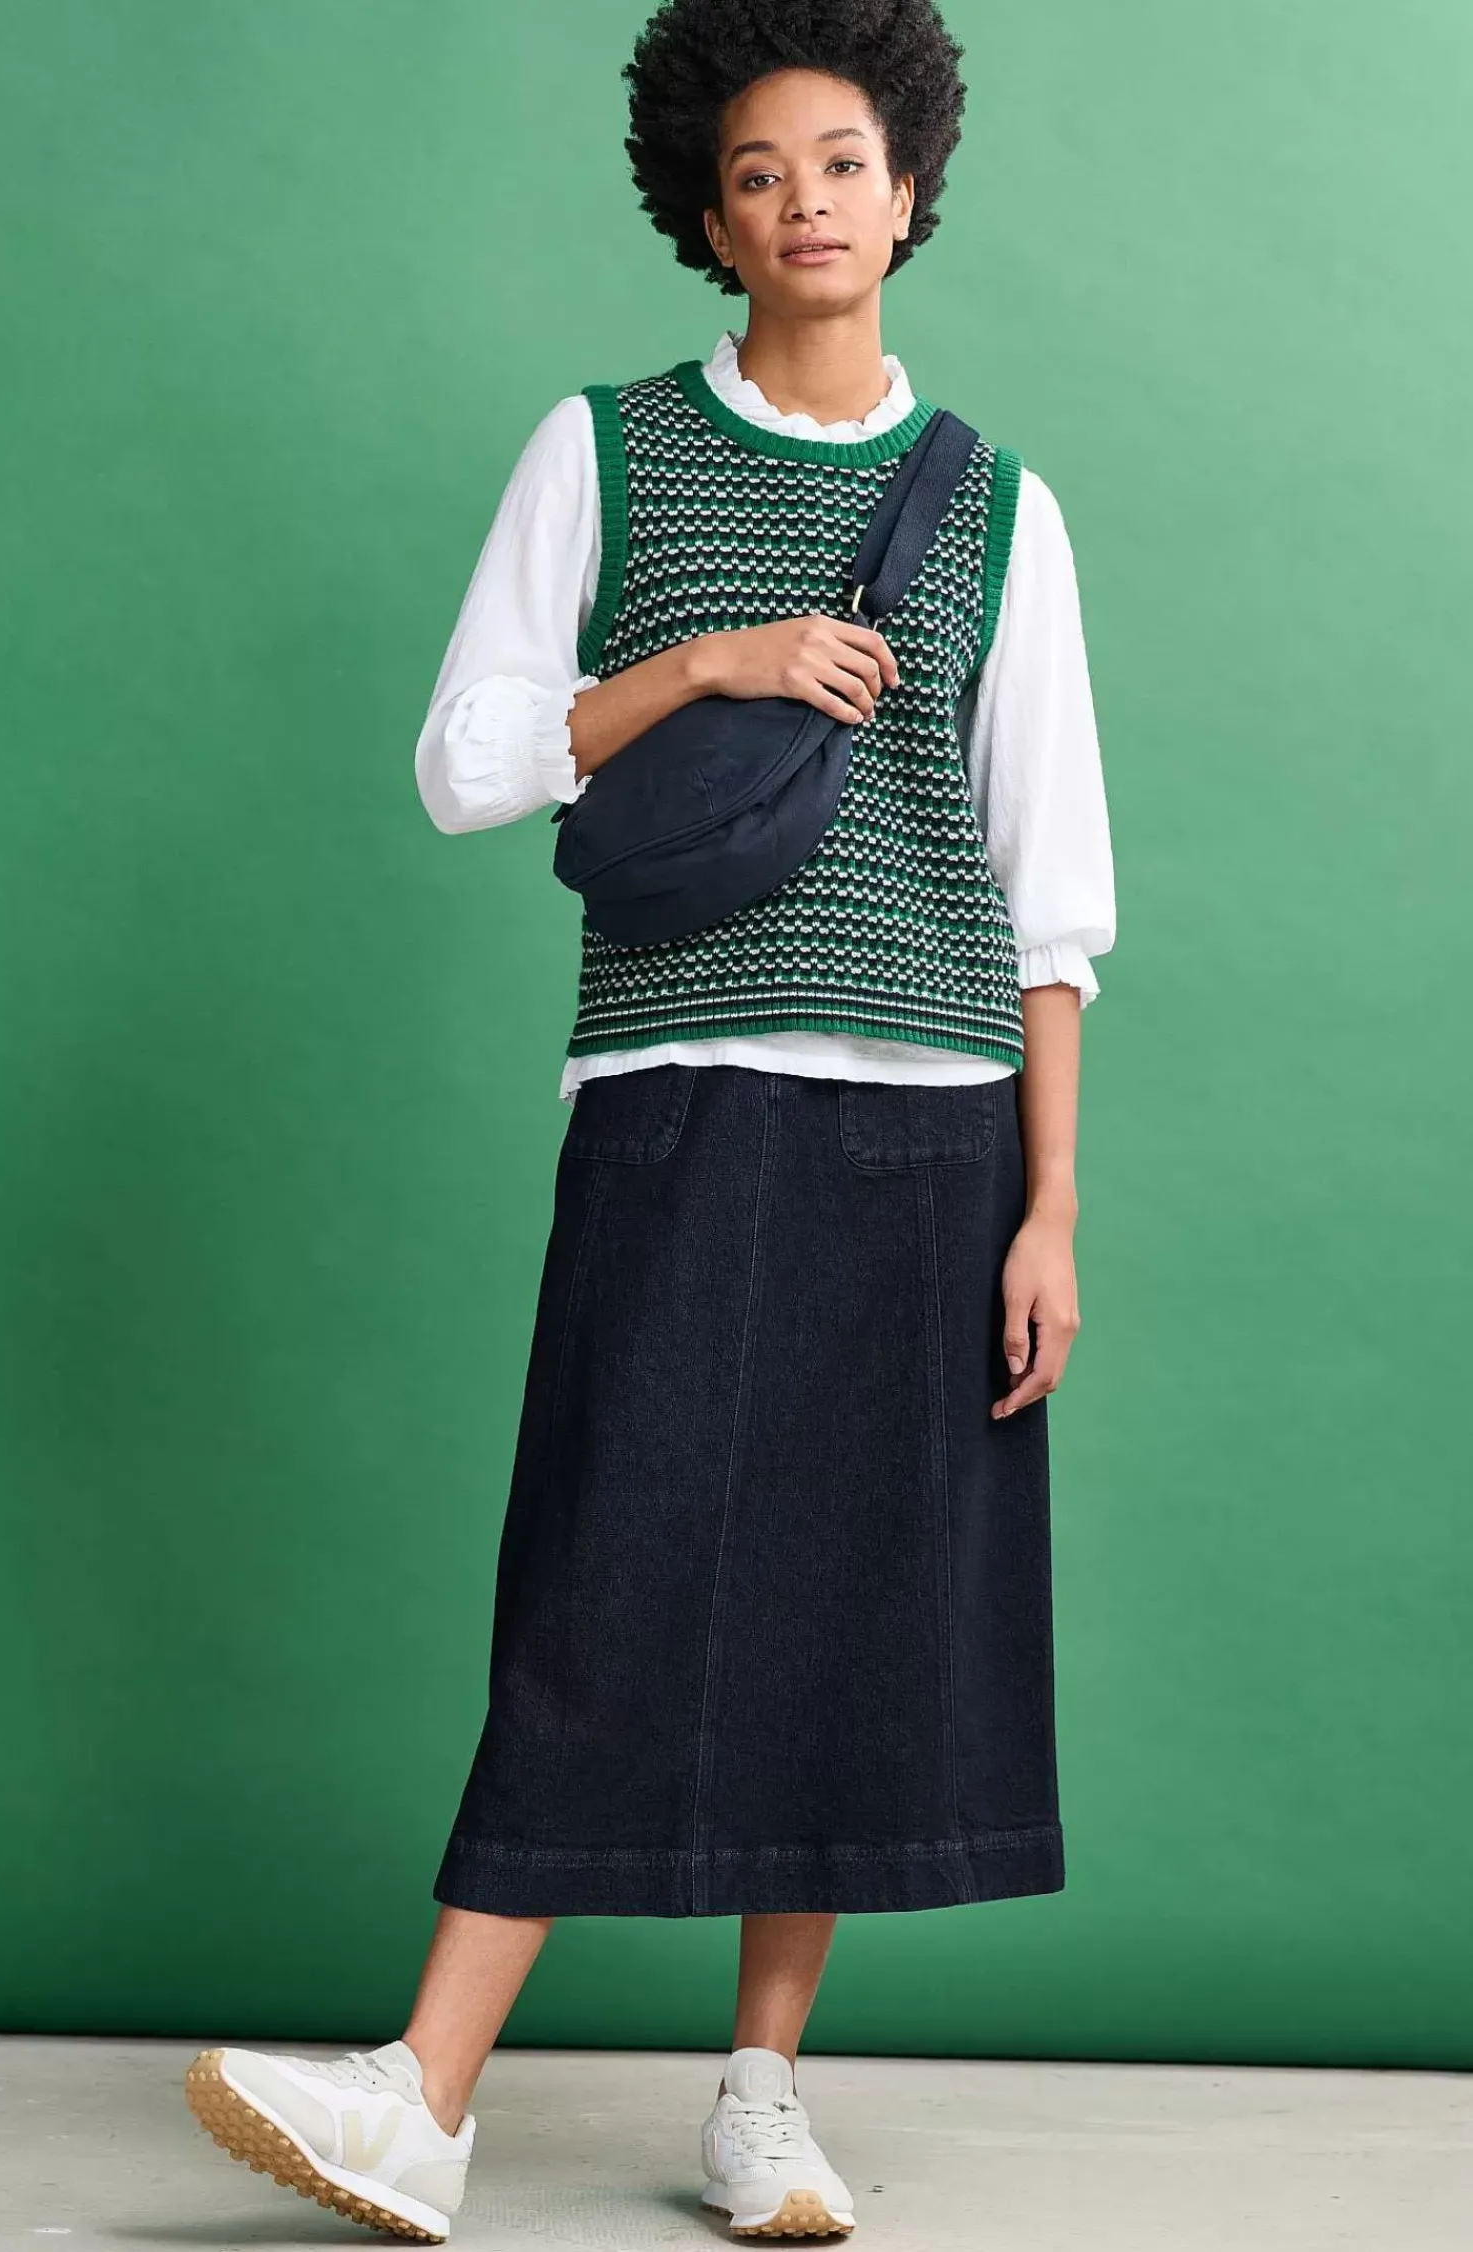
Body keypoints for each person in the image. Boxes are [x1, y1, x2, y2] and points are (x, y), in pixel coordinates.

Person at [183, 0, 1116, 2240]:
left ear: (910, 190)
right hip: (680, 1094)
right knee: (608, 1573)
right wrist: (707, 662)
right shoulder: (603, 448)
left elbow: (1054, 884)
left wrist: (1053, 1202)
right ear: (709, 216)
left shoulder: (1001, 505)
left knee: (857, 1601)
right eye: (761, 171)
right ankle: (424, 2092)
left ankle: (762, 2094)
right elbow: (467, 760)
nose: (808, 201)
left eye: (845, 161)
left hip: (933, 1125)